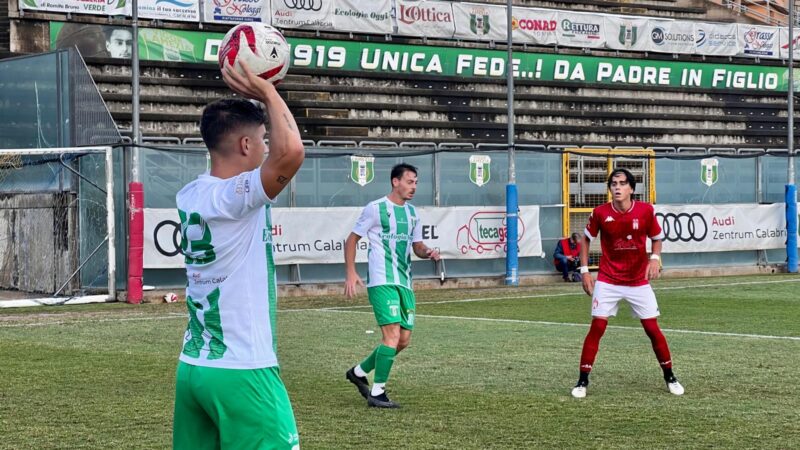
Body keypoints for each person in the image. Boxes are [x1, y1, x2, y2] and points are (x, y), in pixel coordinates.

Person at [172, 60, 304, 449]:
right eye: (263, 139)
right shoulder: (234, 198)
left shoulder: (192, 194)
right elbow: (292, 152)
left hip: (194, 367)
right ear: (245, 145)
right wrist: (267, 91)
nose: (268, 146)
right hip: (242, 369)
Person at [571, 168, 684, 399]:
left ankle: (670, 376)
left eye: (622, 183)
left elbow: (657, 238)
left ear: (631, 188)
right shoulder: (600, 212)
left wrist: (654, 258)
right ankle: (582, 381)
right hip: (608, 279)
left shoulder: (645, 211)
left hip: (637, 281)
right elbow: (585, 240)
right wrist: (584, 271)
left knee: (652, 329)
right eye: (614, 184)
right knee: (598, 327)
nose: (617, 187)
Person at [343, 163, 441, 409]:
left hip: (404, 281)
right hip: (381, 280)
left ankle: (358, 372)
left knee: (403, 340)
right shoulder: (375, 209)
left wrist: (428, 252)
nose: (414, 187)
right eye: (410, 182)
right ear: (395, 182)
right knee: (392, 335)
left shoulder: (412, 214)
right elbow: (352, 240)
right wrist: (351, 272)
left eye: (416, 182)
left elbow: (416, 247)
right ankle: (377, 393)